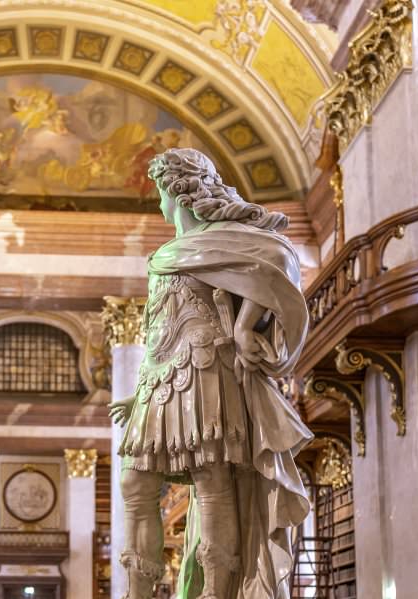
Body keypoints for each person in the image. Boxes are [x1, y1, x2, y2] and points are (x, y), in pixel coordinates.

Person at [109, 148, 312, 599]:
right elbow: (160, 325)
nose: (160, 205)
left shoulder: (226, 239)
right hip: (160, 380)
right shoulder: (165, 255)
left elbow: (277, 263)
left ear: (177, 191)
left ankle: (216, 593)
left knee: (211, 484)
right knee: (133, 483)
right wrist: (138, 392)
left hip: (208, 375)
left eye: (161, 193)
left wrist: (243, 324)